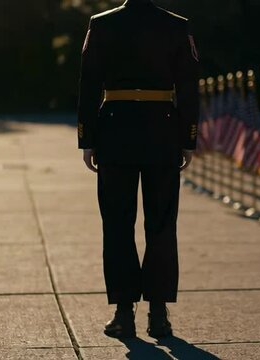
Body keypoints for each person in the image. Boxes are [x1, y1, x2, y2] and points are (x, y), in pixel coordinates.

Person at [77, 0, 199, 339]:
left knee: (118, 224)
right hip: (162, 132)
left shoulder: (102, 24)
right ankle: (158, 315)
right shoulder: (176, 25)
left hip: (115, 131)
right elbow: (188, 84)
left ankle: (123, 313)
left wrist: (88, 139)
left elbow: (89, 84)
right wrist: (188, 137)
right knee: (161, 223)